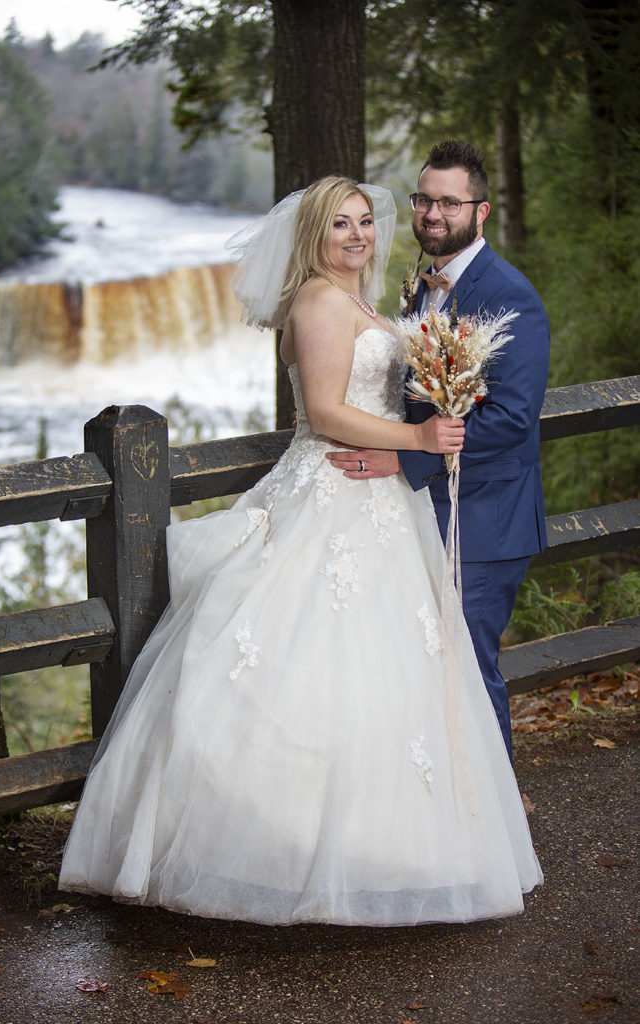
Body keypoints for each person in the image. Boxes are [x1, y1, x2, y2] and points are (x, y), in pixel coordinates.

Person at [59, 175, 542, 927]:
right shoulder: (318, 301)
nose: (356, 236)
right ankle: (273, 852)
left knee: (392, 677)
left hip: (382, 501)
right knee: (302, 663)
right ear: (313, 236)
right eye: (339, 225)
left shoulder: (362, 303)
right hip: (332, 490)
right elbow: (323, 411)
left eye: (364, 223)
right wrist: (418, 438)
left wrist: (433, 418)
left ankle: (387, 848)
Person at [327, 142, 551, 760]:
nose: (432, 213)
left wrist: (405, 457)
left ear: (480, 212)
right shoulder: (421, 287)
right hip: (420, 509)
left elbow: (509, 418)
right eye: (424, 199)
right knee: (422, 664)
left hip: (483, 517)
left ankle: (496, 829)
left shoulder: (509, 296)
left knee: (469, 669)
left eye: (449, 203)